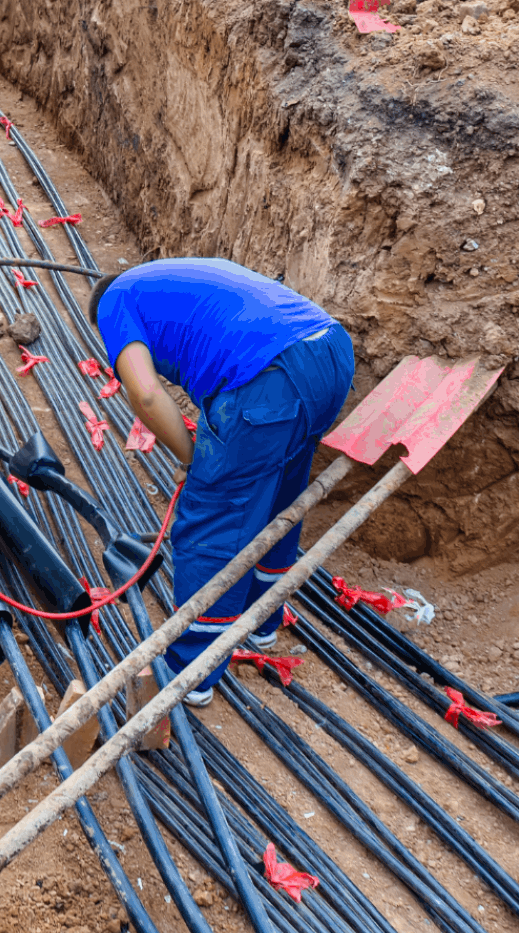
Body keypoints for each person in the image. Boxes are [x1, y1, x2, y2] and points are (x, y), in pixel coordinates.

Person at [89, 258, 354, 706]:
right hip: (330, 354)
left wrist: (194, 460)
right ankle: (263, 622)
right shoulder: (178, 278)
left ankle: (193, 671)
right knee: (278, 490)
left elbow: (147, 394)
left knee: (213, 514)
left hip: (271, 377)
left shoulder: (114, 301)